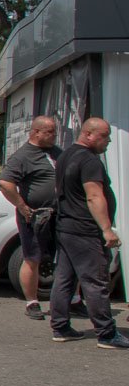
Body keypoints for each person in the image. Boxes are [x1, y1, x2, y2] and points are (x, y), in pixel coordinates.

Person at [49, 117, 128, 349]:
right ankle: (106, 333)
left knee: (64, 279)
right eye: (105, 136)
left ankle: (61, 327)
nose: (109, 141)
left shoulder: (65, 156)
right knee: (95, 281)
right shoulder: (89, 160)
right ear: (89, 134)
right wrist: (106, 229)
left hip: (66, 227)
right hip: (84, 230)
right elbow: (94, 196)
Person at [0, 115, 62, 320]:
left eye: (55, 131)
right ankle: (32, 302)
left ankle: (73, 300)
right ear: (36, 132)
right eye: (50, 132)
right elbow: (5, 184)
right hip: (36, 216)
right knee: (32, 257)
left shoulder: (55, 153)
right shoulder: (23, 156)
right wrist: (23, 207)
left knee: (65, 256)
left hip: (59, 214)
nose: (54, 135)